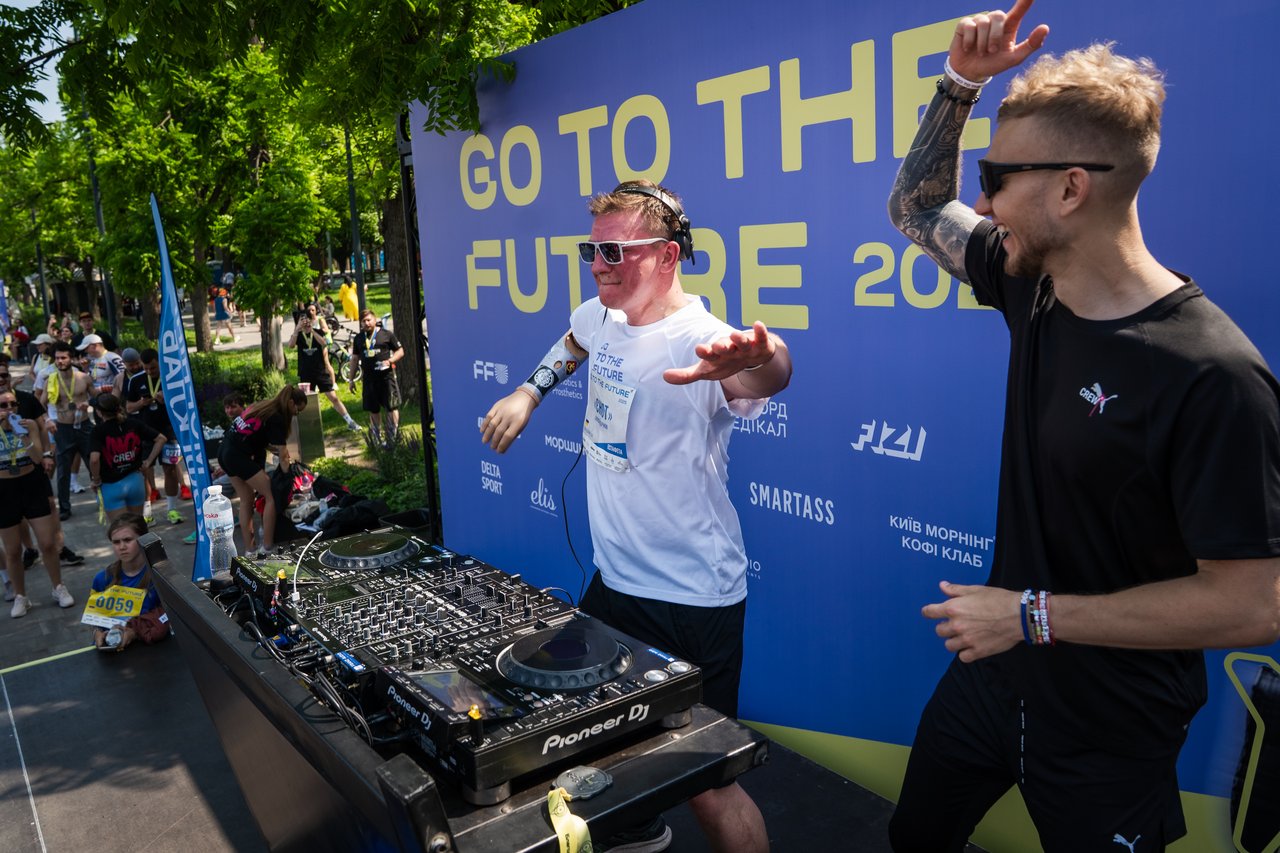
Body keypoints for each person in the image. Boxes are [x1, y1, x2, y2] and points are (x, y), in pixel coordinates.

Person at [884, 3, 1280, 851]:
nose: (983, 201)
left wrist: (1032, 616)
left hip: (1110, 724)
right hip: (993, 676)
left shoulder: (1213, 373)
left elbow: (1253, 604)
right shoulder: (1029, 281)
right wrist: (958, 86)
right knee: (914, 837)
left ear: (1071, 188)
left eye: (997, 176)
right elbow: (916, 208)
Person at [481, 180, 789, 853]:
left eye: (615, 252)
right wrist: (528, 392)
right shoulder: (603, 315)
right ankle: (641, 826)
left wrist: (766, 358)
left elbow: (762, 375)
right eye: (592, 250)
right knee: (593, 734)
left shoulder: (706, 340)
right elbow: (573, 340)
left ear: (668, 255)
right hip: (615, 585)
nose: (598, 266)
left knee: (708, 779)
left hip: (692, 598)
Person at [0, 388, 75, 617]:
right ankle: (21, 596)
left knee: (47, 542)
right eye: (3, 406)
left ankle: (58, 587)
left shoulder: (29, 424)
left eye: (13, 404)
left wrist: (22, 435)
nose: (10, 409)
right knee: (13, 550)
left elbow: (36, 458)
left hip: (31, 485)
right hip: (5, 490)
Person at [218, 385, 306, 556]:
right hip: (237, 456)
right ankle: (267, 547)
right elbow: (283, 455)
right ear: (290, 403)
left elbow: (257, 437)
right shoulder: (277, 418)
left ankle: (250, 550)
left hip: (225, 452)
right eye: (297, 410)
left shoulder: (263, 406)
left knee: (246, 499)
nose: (296, 414)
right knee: (271, 495)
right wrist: (287, 475)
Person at [125, 348, 189, 522]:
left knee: (170, 469)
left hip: (169, 431)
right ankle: (147, 514)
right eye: (145, 368)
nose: (149, 371)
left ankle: (172, 510)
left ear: (159, 362)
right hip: (145, 433)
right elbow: (129, 408)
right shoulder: (136, 380)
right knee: (144, 471)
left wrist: (167, 400)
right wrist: (142, 403)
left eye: (153, 368)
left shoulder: (172, 377)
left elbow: (184, 404)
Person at [89, 514, 170, 650]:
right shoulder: (101, 579)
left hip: (149, 650)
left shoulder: (158, 577)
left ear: (142, 540)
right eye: (116, 542)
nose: (122, 547)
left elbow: (169, 617)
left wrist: (135, 632)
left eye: (127, 540)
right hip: (110, 649)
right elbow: (95, 618)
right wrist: (96, 633)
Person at [89, 393, 165, 523]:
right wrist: (148, 462)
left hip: (111, 486)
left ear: (99, 412)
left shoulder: (98, 431)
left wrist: (96, 480)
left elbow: (94, 459)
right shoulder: (133, 424)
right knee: (137, 526)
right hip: (135, 482)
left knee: (122, 528)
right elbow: (161, 439)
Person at [40, 342, 94, 520]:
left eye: (63, 358)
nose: (60, 361)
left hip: (84, 426)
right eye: (57, 358)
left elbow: (97, 398)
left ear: (71, 358)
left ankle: (104, 499)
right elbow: (40, 405)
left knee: (94, 464)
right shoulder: (51, 380)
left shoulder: (84, 378)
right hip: (63, 428)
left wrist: (88, 403)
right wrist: (47, 420)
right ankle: (64, 507)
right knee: (63, 471)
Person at [288, 312, 361, 431]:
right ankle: (308, 427)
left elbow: (324, 343)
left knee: (334, 398)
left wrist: (312, 331)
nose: (305, 322)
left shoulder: (318, 332)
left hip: (320, 372)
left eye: (307, 319)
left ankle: (350, 421)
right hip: (305, 373)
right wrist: (297, 329)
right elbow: (291, 345)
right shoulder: (298, 335)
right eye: (302, 320)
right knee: (305, 401)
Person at [349, 308, 403, 447]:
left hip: (386, 378)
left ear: (375, 320)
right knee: (373, 409)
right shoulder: (359, 338)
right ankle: (376, 437)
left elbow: (400, 351)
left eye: (369, 320)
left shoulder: (386, 334)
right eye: (363, 321)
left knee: (391, 407)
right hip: (369, 380)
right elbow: (354, 359)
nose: (366, 323)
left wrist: (390, 361)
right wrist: (351, 379)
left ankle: (392, 436)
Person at [211, 277, 238, 344]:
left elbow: (214, 307)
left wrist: (215, 313)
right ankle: (234, 337)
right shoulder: (224, 299)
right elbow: (225, 307)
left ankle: (217, 339)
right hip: (224, 314)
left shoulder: (215, 300)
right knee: (229, 326)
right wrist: (230, 313)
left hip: (218, 314)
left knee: (218, 327)